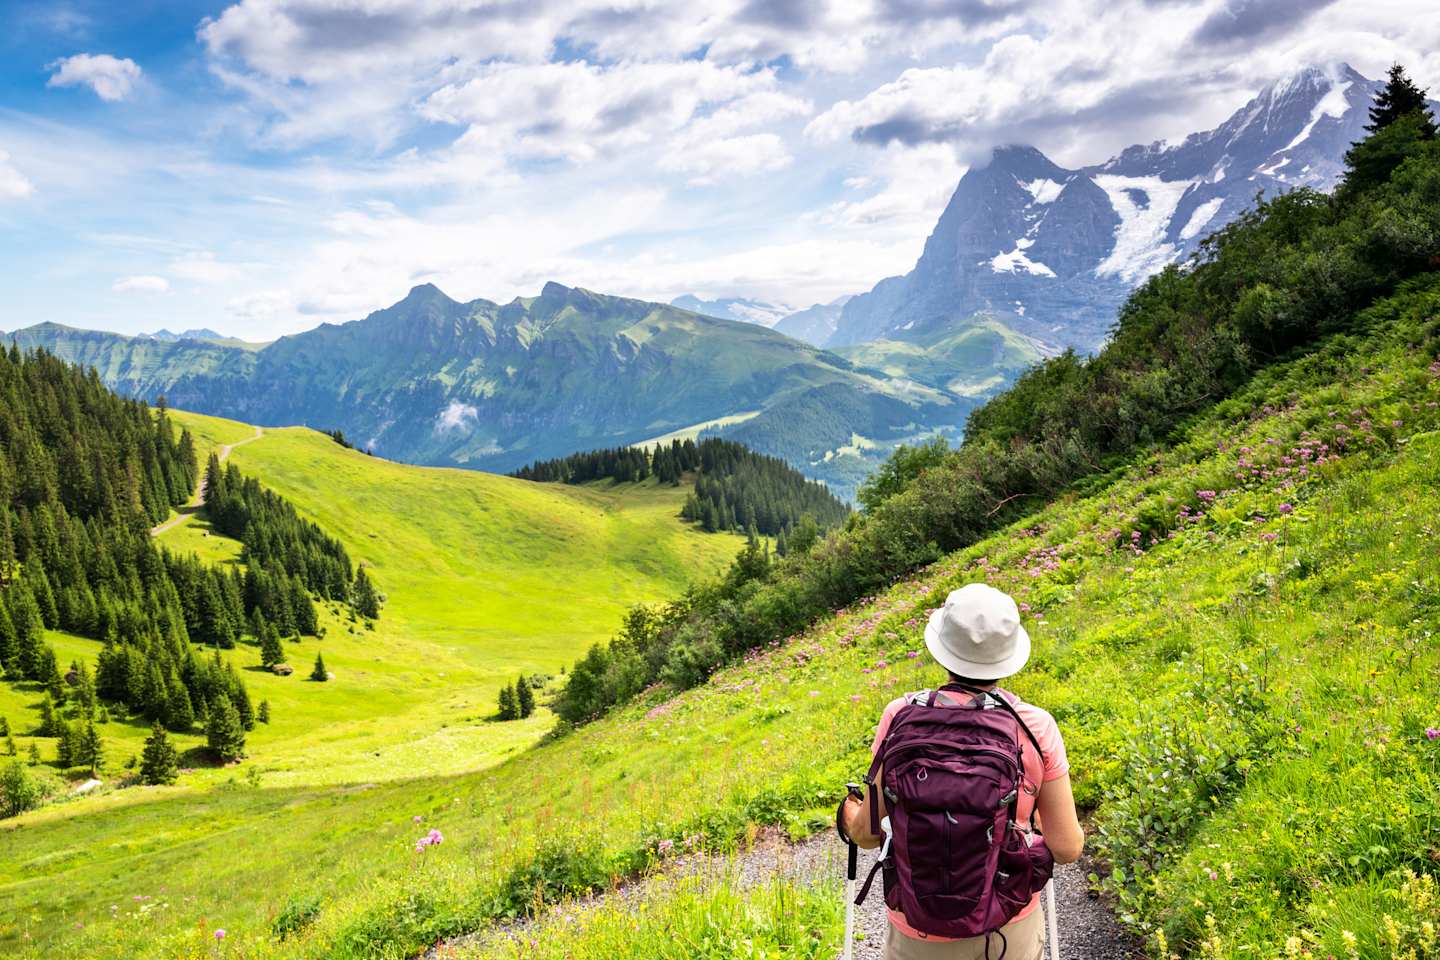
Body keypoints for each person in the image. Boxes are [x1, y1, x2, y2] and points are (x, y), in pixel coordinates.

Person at [841, 583, 1084, 960]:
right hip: (1007, 927)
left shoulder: (899, 717)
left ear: (943, 648)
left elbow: (869, 835)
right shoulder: (1036, 728)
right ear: (1008, 655)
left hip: (917, 933)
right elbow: (1067, 848)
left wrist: (849, 815)